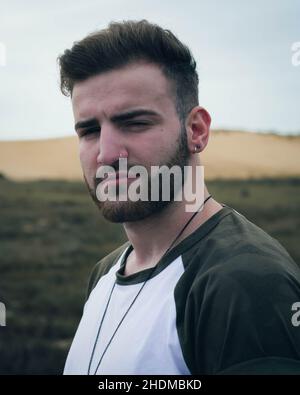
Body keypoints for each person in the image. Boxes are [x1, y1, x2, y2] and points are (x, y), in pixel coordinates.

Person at [58, 20, 300, 375]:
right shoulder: (106, 273)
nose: (107, 154)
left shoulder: (246, 282)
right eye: (90, 130)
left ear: (196, 131)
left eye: (135, 122)